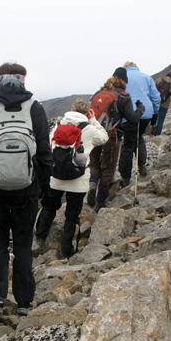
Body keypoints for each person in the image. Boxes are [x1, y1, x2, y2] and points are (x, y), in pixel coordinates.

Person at [0, 62, 52, 316]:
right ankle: (25, 301)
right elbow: (44, 153)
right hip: (27, 191)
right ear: (23, 80)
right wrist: (45, 188)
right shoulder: (35, 109)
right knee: (23, 246)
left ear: (0, 79)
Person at [35, 99, 108, 257]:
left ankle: (40, 236)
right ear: (87, 112)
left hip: (55, 178)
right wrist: (94, 120)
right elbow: (104, 138)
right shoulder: (88, 128)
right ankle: (68, 251)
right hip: (78, 179)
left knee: (49, 207)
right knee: (72, 216)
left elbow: (49, 143)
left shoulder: (58, 126)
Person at [87, 67, 144, 211]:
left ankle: (92, 184)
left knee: (94, 162)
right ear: (124, 81)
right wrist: (140, 109)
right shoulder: (124, 97)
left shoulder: (99, 93)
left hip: (94, 133)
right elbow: (132, 119)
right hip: (112, 137)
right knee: (108, 168)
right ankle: (100, 203)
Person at [118, 62, 159, 184]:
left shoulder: (123, 79)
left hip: (129, 115)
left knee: (128, 144)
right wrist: (154, 115)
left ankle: (125, 177)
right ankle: (142, 166)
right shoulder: (147, 77)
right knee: (139, 137)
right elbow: (156, 97)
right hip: (146, 113)